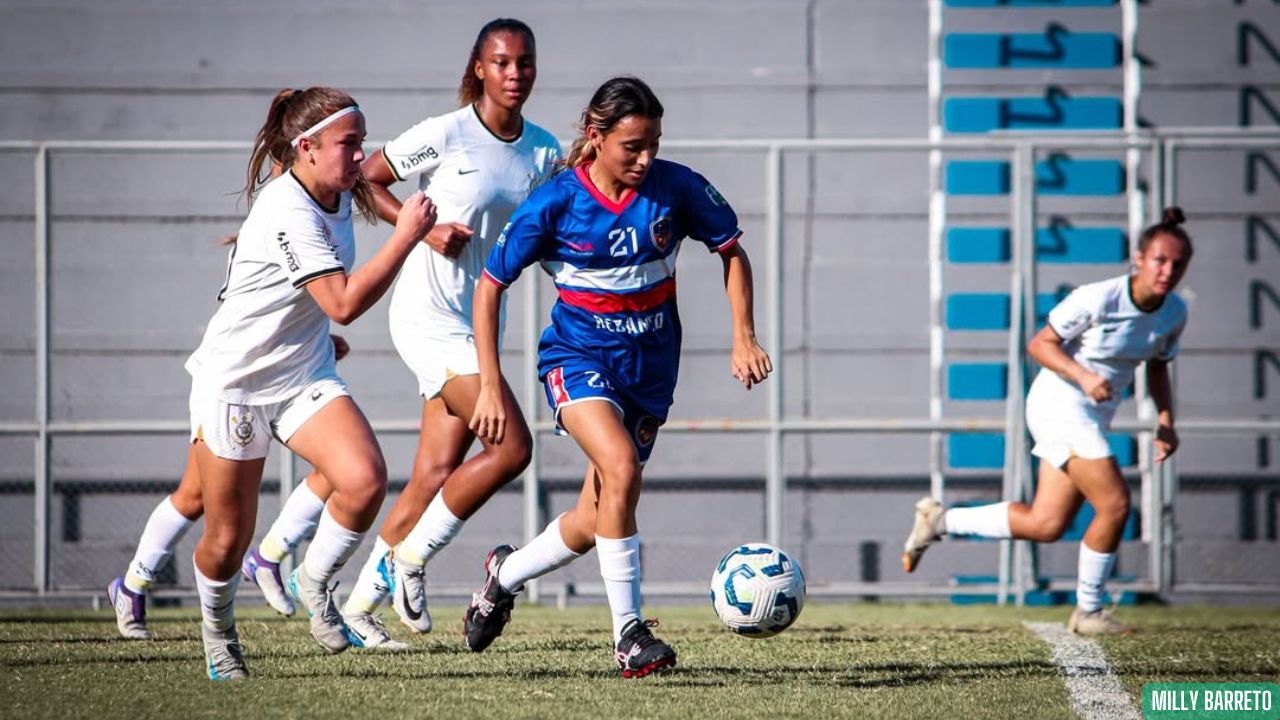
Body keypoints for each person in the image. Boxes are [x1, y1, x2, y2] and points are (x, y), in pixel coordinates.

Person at [461, 76, 773, 678]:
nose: (646, 157)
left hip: (650, 372)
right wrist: (492, 382)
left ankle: (505, 574)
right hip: (577, 361)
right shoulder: (556, 202)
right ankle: (628, 636)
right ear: (596, 136)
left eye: (653, 142)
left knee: (592, 518)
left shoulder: (676, 187)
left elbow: (731, 251)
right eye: (633, 145)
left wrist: (743, 335)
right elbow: (490, 285)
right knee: (622, 466)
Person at [183, 86, 437, 680]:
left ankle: (315, 579)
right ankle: (218, 634)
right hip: (236, 383)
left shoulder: (335, 190)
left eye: (361, 141)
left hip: (301, 370)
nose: (360, 155)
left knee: (364, 479)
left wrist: (315, 334)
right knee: (226, 539)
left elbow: (316, 304)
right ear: (307, 148)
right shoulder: (287, 209)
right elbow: (342, 301)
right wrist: (407, 234)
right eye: (349, 144)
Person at [337, 18, 561, 649]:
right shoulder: (446, 132)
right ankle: (410, 561)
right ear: (480, 68)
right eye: (502, 62)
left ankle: (357, 608)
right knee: (512, 449)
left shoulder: (543, 151)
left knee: (435, 474)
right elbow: (367, 177)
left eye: (525, 63)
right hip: (426, 317)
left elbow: (543, 235)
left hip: (480, 324)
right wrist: (423, 229)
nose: (515, 73)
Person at [902, 207, 1193, 635]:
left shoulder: (1173, 313)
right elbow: (1040, 344)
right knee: (1114, 505)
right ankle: (1089, 611)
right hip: (1059, 403)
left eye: (1178, 263)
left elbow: (1157, 366)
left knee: (1047, 522)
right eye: (1159, 260)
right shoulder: (1098, 298)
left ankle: (939, 522)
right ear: (1138, 258)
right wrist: (1084, 376)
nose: (1168, 270)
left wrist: (1166, 422)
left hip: (1092, 414)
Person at [106, 336, 348, 640]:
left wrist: (313, 340)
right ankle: (132, 589)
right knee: (194, 497)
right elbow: (263, 309)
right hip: (232, 380)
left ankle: (268, 557)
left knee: (342, 469)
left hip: (285, 379)